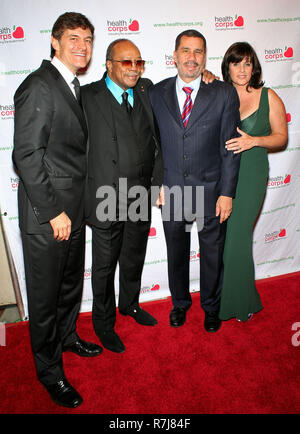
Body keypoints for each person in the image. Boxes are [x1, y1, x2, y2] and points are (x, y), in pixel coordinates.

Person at [12, 12, 102, 409]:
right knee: (46, 300)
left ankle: (67, 339)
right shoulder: (39, 86)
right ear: (54, 41)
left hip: (73, 211)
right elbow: (27, 156)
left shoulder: (72, 86)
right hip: (48, 217)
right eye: (73, 38)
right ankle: (50, 372)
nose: (82, 45)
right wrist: (52, 212)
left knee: (69, 288)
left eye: (87, 38)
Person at [149, 29, 241, 332]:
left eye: (198, 51)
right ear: (174, 56)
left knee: (212, 254)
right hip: (171, 191)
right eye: (186, 51)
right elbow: (150, 145)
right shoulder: (155, 93)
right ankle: (180, 304)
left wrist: (227, 193)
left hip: (212, 191)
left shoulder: (224, 93)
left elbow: (230, 147)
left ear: (205, 57)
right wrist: (155, 185)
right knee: (176, 253)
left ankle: (211, 307)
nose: (192, 57)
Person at [81, 39, 163, 354]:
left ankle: (129, 304)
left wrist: (206, 77)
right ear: (109, 64)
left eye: (138, 62)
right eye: (126, 62)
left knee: (133, 256)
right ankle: (103, 323)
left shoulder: (146, 90)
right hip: (105, 195)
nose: (133, 68)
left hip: (141, 191)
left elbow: (160, 137)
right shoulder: (87, 96)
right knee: (104, 265)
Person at [219, 42, 288, 322]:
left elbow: (281, 137)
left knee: (237, 238)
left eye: (247, 63)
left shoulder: (268, 96)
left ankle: (239, 304)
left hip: (251, 175)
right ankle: (240, 296)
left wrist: (254, 141)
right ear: (228, 67)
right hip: (222, 177)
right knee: (227, 241)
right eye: (236, 63)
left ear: (254, 66)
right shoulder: (220, 95)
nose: (242, 69)